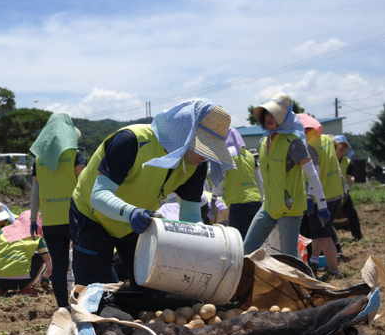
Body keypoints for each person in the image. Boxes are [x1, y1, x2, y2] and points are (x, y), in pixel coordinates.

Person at [69, 99, 235, 296]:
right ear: (185, 133)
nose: (205, 156)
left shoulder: (196, 165)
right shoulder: (131, 141)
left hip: (137, 221)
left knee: (150, 290)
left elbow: (190, 216)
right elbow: (98, 196)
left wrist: (203, 243)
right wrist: (131, 213)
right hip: (93, 216)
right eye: (203, 147)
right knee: (93, 293)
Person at [242, 93, 329, 257]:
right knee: (247, 249)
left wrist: (322, 205)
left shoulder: (293, 142)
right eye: (266, 113)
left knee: (289, 258)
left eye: (274, 114)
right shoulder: (264, 141)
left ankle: (296, 283)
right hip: (269, 206)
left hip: (289, 209)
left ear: (284, 118)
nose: (269, 117)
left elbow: (312, 173)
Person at [29, 113, 86, 308]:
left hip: (51, 221)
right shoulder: (75, 156)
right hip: (75, 219)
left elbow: (35, 193)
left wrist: (32, 219)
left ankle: (63, 307)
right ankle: (82, 306)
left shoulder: (38, 161)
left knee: (59, 267)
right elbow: (84, 187)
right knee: (81, 266)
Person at [297, 114, 344, 278]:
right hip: (335, 192)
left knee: (324, 235)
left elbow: (314, 174)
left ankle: (334, 270)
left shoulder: (310, 145)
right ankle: (314, 260)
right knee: (318, 231)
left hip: (321, 196)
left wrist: (310, 197)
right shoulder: (325, 140)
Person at [0, 211, 52, 296]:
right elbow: (50, 266)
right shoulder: (36, 237)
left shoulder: (3, 232)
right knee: (40, 257)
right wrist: (45, 277)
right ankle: (26, 288)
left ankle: (2, 290)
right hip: (21, 282)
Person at [218, 127, 265, 239]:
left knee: (239, 240)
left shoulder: (227, 156)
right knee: (253, 240)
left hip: (238, 203)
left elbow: (220, 179)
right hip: (256, 202)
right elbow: (259, 180)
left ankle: (242, 257)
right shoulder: (249, 155)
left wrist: (214, 198)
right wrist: (262, 198)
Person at [334, 135, 364, 241]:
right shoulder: (328, 161)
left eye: (344, 146)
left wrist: (347, 186)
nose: (342, 148)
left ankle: (358, 236)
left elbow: (351, 177)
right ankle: (330, 239)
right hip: (329, 193)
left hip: (343, 193)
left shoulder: (348, 162)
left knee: (351, 212)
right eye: (340, 145)